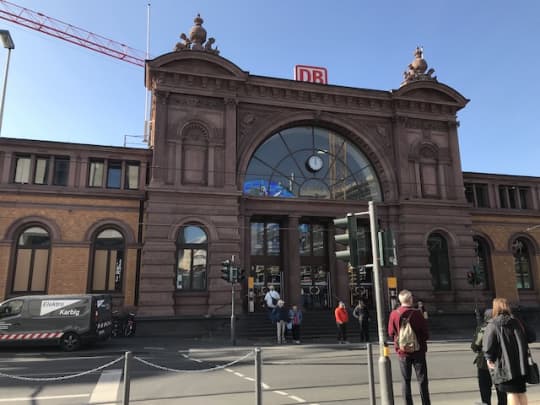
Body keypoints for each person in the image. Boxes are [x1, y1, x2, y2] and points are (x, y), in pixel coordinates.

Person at [388, 289, 431, 405]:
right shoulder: (417, 314)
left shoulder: (394, 314)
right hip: (419, 351)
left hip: (402, 352)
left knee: (405, 381)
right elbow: (426, 333)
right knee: (422, 381)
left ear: (400, 300)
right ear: (410, 299)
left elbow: (391, 333)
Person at [483, 298, 529, 405]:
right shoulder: (516, 322)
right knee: (521, 392)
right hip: (521, 364)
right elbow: (531, 336)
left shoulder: (493, 324)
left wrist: (488, 358)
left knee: (511, 393)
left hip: (505, 365)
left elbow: (488, 346)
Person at [471, 308, 507, 405]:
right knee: (502, 394)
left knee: (485, 394)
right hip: (500, 363)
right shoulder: (503, 327)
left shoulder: (483, 328)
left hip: (484, 364)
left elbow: (474, 346)